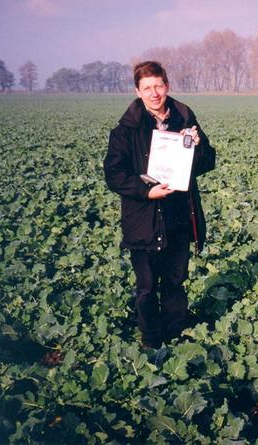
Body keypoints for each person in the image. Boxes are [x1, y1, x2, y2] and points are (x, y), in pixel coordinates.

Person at [104, 61, 216, 349]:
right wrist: (146, 192)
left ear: (167, 85)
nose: (154, 93)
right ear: (137, 91)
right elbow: (114, 175)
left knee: (175, 281)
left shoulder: (184, 118)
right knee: (147, 287)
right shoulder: (125, 130)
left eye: (159, 86)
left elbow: (206, 163)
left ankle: (177, 336)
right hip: (143, 219)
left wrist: (197, 146)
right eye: (147, 88)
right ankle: (151, 343)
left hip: (178, 215)